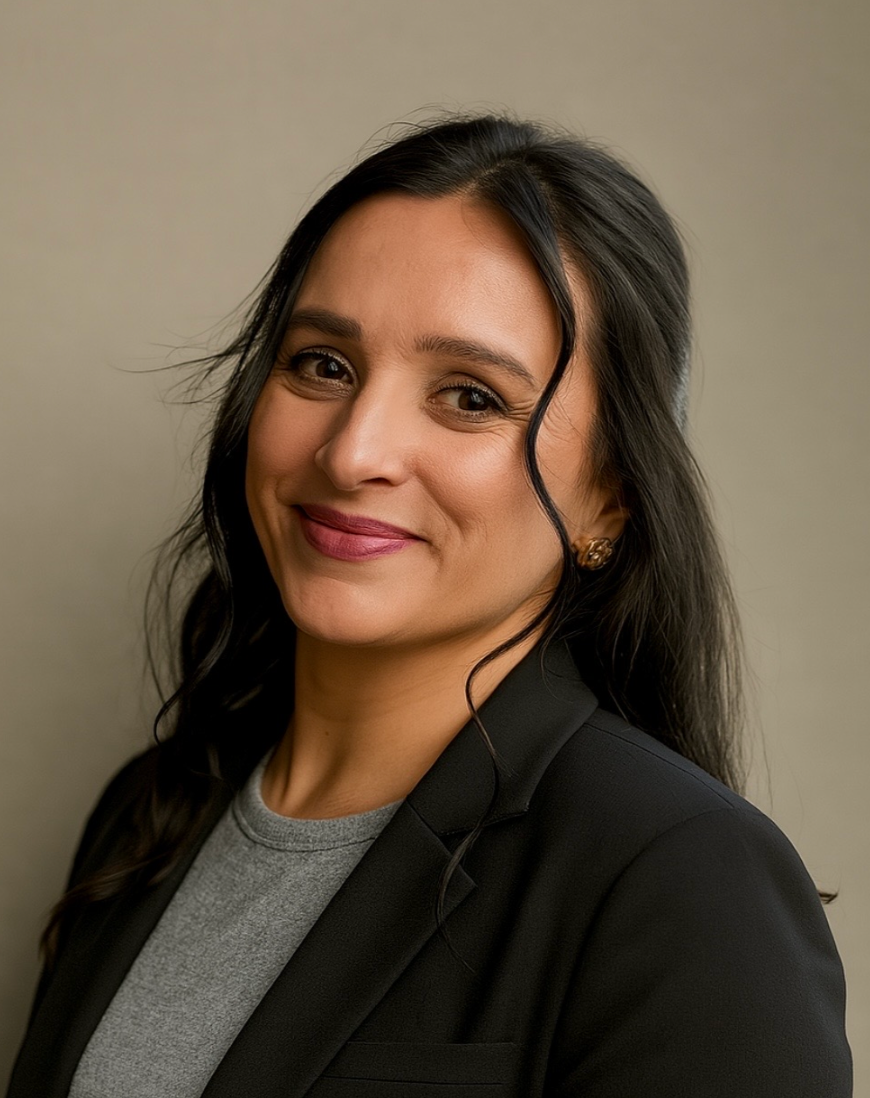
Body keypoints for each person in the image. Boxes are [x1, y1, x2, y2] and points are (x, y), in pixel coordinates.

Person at [8, 114, 851, 1097]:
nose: (353, 451)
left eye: (470, 397)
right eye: (323, 364)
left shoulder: (678, 878)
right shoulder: (150, 812)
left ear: (610, 500)